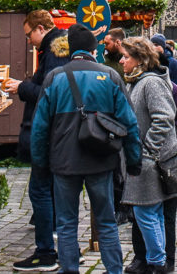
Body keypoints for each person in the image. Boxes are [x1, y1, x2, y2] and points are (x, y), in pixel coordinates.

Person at [31, 24, 141, 274]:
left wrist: (40, 163)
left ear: (71, 48)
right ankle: (114, 270)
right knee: (106, 220)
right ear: (94, 49)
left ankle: (69, 269)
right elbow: (130, 122)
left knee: (67, 222)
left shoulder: (55, 77)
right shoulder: (110, 77)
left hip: (64, 161)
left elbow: (39, 127)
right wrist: (133, 160)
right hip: (100, 160)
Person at [4, 10, 70, 272]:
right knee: (49, 189)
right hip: (55, 132)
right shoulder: (56, 48)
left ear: (41, 29)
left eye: (29, 34)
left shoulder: (54, 50)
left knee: (40, 190)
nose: (29, 40)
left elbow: (49, 94)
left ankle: (46, 253)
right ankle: (58, 249)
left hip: (48, 132)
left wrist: (20, 87)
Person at [119, 36, 177, 274]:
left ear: (139, 59)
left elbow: (165, 118)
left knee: (146, 212)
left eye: (126, 57)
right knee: (149, 212)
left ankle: (158, 262)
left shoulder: (150, 83)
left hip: (148, 160)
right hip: (140, 159)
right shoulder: (135, 82)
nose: (121, 61)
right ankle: (154, 260)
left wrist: (147, 150)